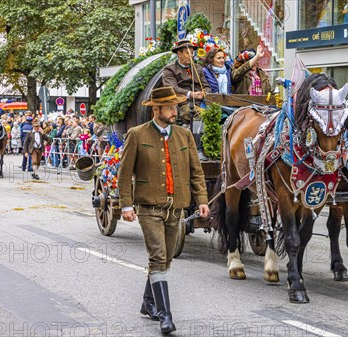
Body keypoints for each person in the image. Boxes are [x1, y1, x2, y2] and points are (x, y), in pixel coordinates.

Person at [117, 87, 210, 334]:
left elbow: (196, 172)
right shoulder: (136, 135)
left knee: (166, 259)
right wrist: (126, 205)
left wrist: (202, 199)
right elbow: (124, 174)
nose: (175, 111)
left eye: (175, 106)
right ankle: (165, 315)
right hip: (148, 208)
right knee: (158, 257)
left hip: (176, 207)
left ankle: (148, 302)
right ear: (155, 109)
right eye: (169, 107)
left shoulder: (184, 135)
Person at [162, 39, 211, 160]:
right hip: (181, 102)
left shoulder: (198, 68)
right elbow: (172, 88)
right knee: (195, 113)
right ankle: (197, 149)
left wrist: (205, 93)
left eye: (192, 53)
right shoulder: (170, 69)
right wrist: (191, 94)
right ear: (179, 54)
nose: (191, 56)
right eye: (187, 53)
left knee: (210, 113)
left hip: (200, 101)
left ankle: (208, 146)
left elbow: (206, 85)